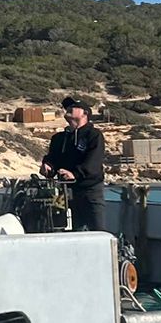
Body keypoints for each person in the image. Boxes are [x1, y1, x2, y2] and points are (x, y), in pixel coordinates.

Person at [40, 97, 107, 234]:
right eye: (67, 107)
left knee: (97, 230)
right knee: (66, 229)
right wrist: (48, 166)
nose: (68, 108)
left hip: (90, 191)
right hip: (63, 192)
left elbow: (93, 162)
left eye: (74, 106)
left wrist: (75, 174)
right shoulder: (58, 138)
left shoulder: (94, 135)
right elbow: (52, 159)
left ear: (85, 113)